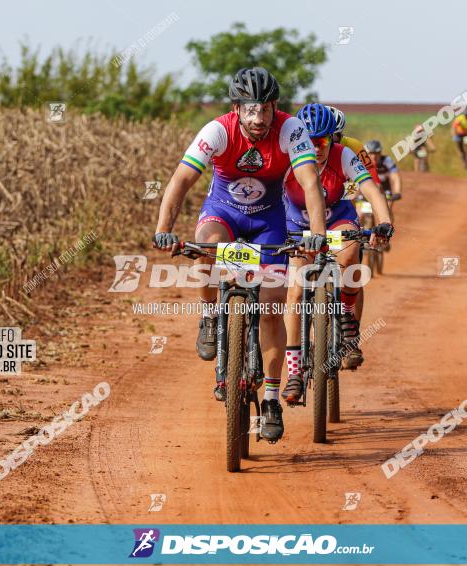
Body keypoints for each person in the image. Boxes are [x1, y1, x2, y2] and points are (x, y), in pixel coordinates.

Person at [152, 67, 328, 443]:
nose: (258, 118)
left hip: (269, 222)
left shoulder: (291, 130)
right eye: (250, 110)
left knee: (270, 307)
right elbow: (181, 180)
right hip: (224, 214)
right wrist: (163, 228)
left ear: (274, 107)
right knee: (205, 247)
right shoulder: (216, 130)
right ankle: (211, 315)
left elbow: (311, 183)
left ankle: (271, 399)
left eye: (265, 109)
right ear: (236, 109)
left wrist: (316, 234)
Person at [280, 103, 393, 402]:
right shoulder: (287, 156)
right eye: (309, 141)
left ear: (333, 139)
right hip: (297, 222)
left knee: (350, 254)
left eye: (322, 142)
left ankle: (346, 318)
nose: (315, 148)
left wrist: (384, 222)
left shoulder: (345, 155)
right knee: (294, 291)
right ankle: (293, 372)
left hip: (337, 219)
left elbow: (370, 188)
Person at [328, 106, 381, 189]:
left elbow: (369, 169)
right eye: (324, 138)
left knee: (349, 196)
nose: (328, 142)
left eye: (332, 136)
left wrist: (377, 185)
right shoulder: (310, 147)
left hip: (344, 185)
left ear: (340, 134)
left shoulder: (354, 145)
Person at [364, 139, 402, 217]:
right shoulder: (361, 163)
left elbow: (395, 176)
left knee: (387, 213)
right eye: (371, 153)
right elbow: (353, 179)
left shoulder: (386, 160)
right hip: (367, 190)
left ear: (380, 153)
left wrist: (397, 192)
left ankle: (389, 228)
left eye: (376, 153)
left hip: (384, 190)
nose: (374, 156)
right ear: (366, 154)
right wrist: (351, 195)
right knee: (359, 215)